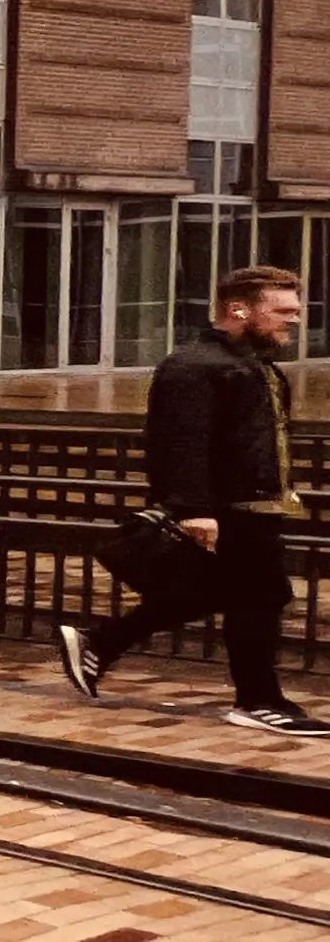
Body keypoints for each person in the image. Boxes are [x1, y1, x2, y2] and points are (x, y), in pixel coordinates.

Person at [62, 265, 325, 733]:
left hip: (256, 506)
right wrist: (195, 510)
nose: (294, 321)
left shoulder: (253, 366)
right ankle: (259, 701)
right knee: (260, 598)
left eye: (296, 311)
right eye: (282, 311)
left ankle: (102, 642)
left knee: (226, 594)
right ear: (239, 309)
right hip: (227, 510)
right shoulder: (194, 366)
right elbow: (181, 442)